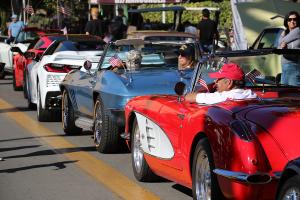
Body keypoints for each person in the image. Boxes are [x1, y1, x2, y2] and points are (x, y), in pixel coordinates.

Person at [185, 63, 257, 104]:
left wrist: (207, 88)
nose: (215, 82)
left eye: (219, 79)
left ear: (229, 83)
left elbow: (188, 97)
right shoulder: (252, 94)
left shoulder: (223, 96)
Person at [278, 11, 300, 86]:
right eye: (290, 20)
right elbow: (279, 48)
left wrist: (281, 37)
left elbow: (281, 43)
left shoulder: (298, 30)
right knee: (285, 94)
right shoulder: (287, 33)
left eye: (294, 19)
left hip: (294, 67)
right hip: (285, 68)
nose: (292, 21)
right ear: (286, 21)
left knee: (294, 93)